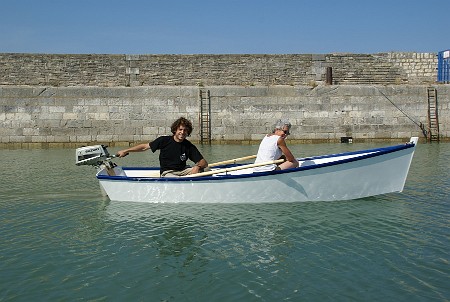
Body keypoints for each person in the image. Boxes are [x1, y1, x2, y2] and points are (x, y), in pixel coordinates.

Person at [116, 117, 208, 177]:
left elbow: (204, 163)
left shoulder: (188, 146)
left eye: (185, 130)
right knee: (175, 180)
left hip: (183, 171)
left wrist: (198, 166)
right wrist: (126, 150)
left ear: (188, 132)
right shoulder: (163, 141)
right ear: (175, 130)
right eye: (180, 129)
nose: (182, 132)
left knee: (207, 170)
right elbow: (144, 147)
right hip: (168, 173)